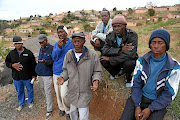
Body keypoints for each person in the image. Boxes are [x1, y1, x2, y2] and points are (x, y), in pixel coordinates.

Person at [120, 29, 180, 120]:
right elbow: (136, 85)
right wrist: (137, 106)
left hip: (158, 101)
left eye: (160, 43)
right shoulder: (142, 61)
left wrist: (150, 109)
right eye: (153, 42)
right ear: (149, 45)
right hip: (140, 97)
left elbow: (169, 93)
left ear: (166, 45)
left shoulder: (174, 67)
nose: (156, 46)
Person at [57, 31, 102, 120]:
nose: (77, 44)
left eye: (79, 41)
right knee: (73, 114)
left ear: (84, 42)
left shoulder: (92, 54)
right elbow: (65, 70)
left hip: (85, 91)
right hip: (72, 90)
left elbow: (97, 71)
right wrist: (62, 77)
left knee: (83, 116)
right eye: (74, 42)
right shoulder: (69, 55)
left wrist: (96, 81)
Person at [100, 14, 138, 87]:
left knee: (130, 62)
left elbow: (131, 54)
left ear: (125, 26)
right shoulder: (110, 35)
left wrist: (110, 59)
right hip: (118, 58)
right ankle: (116, 73)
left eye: (119, 26)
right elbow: (104, 50)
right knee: (102, 59)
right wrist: (120, 50)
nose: (116, 28)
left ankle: (128, 78)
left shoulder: (132, 35)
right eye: (114, 26)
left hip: (126, 59)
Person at [5, 36, 37, 111]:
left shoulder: (28, 53)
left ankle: (30, 101)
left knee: (30, 89)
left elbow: (33, 65)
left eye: (18, 43)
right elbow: (7, 62)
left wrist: (34, 75)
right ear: (14, 45)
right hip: (16, 77)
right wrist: (12, 65)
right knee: (19, 91)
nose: (17, 45)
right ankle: (21, 103)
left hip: (27, 77)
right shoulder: (11, 53)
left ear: (22, 43)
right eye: (15, 44)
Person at [52, 25, 73, 120]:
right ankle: (61, 108)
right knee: (58, 92)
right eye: (58, 32)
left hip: (67, 73)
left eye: (62, 32)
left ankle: (68, 111)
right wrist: (58, 48)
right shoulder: (57, 44)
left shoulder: (71, 43)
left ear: (66, 32)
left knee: (64, 94)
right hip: (57, 72)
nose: (60, 34)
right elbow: (54, 58)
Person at [35, 34, 53, 120]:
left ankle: (49, 110)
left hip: (48, 73)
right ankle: (48, 102)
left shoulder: (52, 48)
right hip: (41, 73)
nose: (41, 43)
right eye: (39, 42)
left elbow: (53, 60)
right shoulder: (41, 48)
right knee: (42, 88)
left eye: (42, 42)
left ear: (46, 40)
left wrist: (45, 61)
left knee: (48, 91)